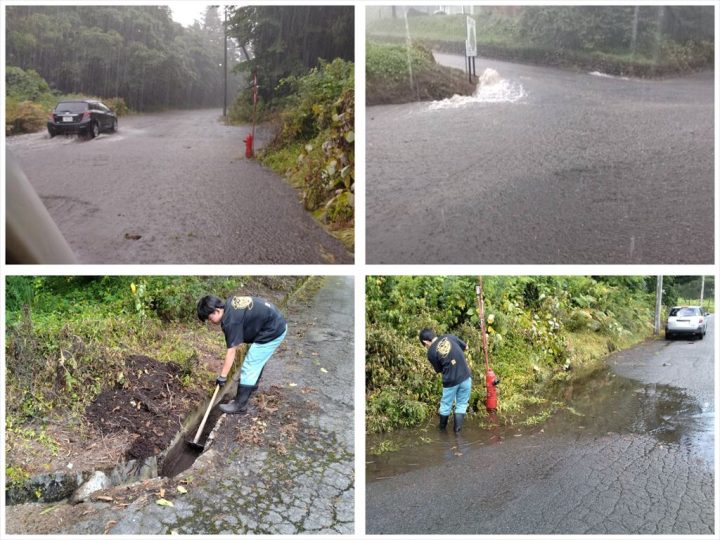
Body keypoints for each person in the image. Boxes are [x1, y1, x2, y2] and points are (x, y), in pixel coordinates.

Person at [197, 294, 287, 414]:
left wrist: (223, 377)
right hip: (273, 323)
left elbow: (231, 351)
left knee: (250, 364)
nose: (210, 321)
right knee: (256, 358)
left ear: (217, 311)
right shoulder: (229, 305)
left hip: (273, 330)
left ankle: (240, 405)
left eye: (209, 318)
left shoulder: (231, 320)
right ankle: (251, 385)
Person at [419, 328, 472, 433]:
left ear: (425, 342)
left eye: (425, 346)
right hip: (466, 376)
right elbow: (465, 347)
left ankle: (442, 431)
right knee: (461, 404)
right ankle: (457, 432)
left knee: (446, 405)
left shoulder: (431, 352)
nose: (426, 347)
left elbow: (439, 370)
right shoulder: (449, 336)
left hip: (450, 381)